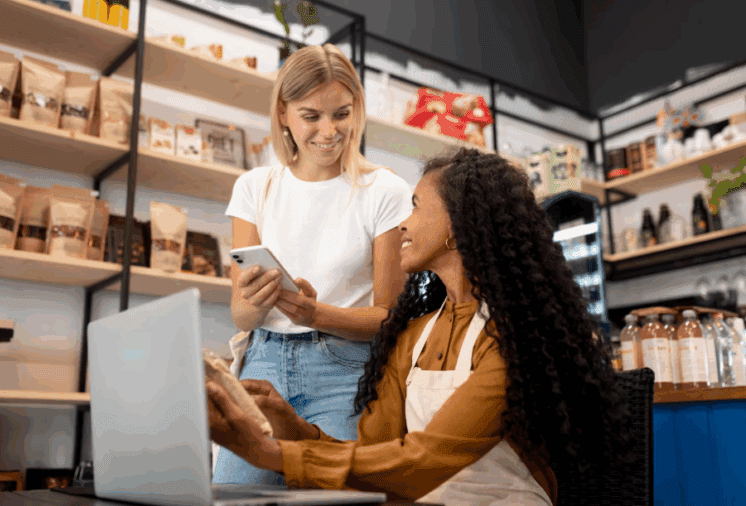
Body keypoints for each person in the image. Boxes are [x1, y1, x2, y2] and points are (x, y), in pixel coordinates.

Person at [207, 148, 630, 505]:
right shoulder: (413, 335)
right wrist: (290, 425)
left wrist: (272, 454)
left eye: (415, 206)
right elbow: (376, 457)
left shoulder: (511, 338)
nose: (402, 224)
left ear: (458, 224)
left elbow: (425, 460)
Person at [214, 43, 412, 485]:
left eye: (341, 114)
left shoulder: (385, 191)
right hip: (263, 363)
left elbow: (389, 318)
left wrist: (315, 314)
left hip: (346, 371)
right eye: (311, 116)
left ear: (357, 109)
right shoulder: (255, 188)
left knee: (333, 495)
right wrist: (257, 302)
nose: (329, 131)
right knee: (233, 495)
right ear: (283, 113)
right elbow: (241, 316)